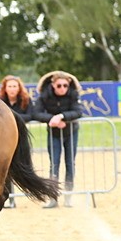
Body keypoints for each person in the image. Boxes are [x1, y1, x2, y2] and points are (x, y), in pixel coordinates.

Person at [32, 70, 84, 208]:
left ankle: (68, 197)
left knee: (70, 164)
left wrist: (61, 116)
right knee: (54, 164)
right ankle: (53, 198)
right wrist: (52, 119)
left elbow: (78, 112)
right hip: (53, 133)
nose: (63, 88)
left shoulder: (73, 94)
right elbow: (36, 113)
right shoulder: (45, 95)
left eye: (65, 85)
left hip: (71, 132)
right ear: (53, 85)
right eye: (59, 85)